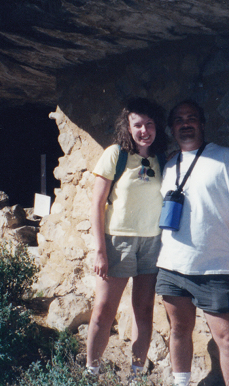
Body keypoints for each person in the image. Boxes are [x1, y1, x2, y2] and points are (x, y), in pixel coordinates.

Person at [155, 100, 229, 386]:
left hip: (216, 267)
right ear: (172, 127)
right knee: (178, 330)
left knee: (227, 340)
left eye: (191, 118)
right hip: (172, 265)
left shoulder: (227, 158)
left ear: (202, 124)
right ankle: (181, 383)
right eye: (179, 119)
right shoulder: (168, 165)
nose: (185, 123)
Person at [86, 98, 168, 377]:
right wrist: (99, 250)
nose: (144, 130)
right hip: (117, 241)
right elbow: (97, 204)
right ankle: (92, 370)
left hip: (151, 242)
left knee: (143, 310)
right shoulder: (115, 154)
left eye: (149, 124)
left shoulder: (160, 158)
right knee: (104, 310)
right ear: (128, 127)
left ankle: (136, 374)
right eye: (137, 125)